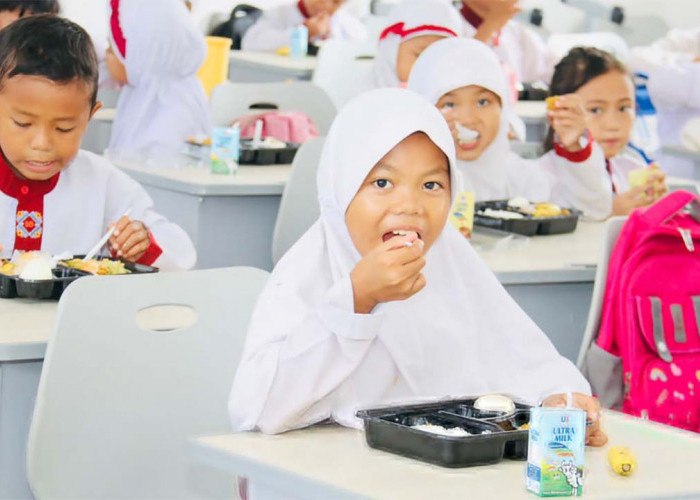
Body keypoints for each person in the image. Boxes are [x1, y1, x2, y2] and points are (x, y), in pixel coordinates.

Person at [228, 88, 607, 448]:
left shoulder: (452, 263)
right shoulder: (304, 276)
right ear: (339, 188)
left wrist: (561, 397)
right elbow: (260, 410)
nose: (409, 205)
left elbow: (525, 359)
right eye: (382, 182)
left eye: (430, 185)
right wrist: (357, 299)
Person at [0, 15, 196, 270]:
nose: (42, 143)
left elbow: (182, 255)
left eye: (64, 128)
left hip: (73, 311)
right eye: (23, 124)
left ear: (89, 117)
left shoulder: (102, 182)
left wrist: (142, 245)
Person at [407, 37, 611, 219]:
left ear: (503, 110)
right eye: (448, 105)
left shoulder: (519, 176)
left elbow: (590, 212)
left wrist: (575, 146)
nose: (468, 119)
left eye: (483, 102)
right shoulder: (402, 183)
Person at [545, 47, 668, 216]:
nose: (613, 124)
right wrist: (608, 215)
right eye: (595, 110)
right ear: (560, 112)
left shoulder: (633, 168)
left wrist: (661, 209)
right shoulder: (543, 178)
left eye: (624, 108)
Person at [105, 0, 211, 162]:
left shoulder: (165, 118)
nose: (106, 55)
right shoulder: (178, 91)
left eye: (111, 49)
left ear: (137, 56)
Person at [369, 0, 462, 89]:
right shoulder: (368, 97)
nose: (430, 66)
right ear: (391, 54)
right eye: (419, 55)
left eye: (442, 57)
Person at [241, 0, 366, 52]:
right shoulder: (279, 14)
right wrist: (304, 31)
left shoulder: (347, 23)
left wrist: (331, 33)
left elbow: (361, 48)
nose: (328, 6)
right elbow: (250, 44)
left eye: (336, 2)